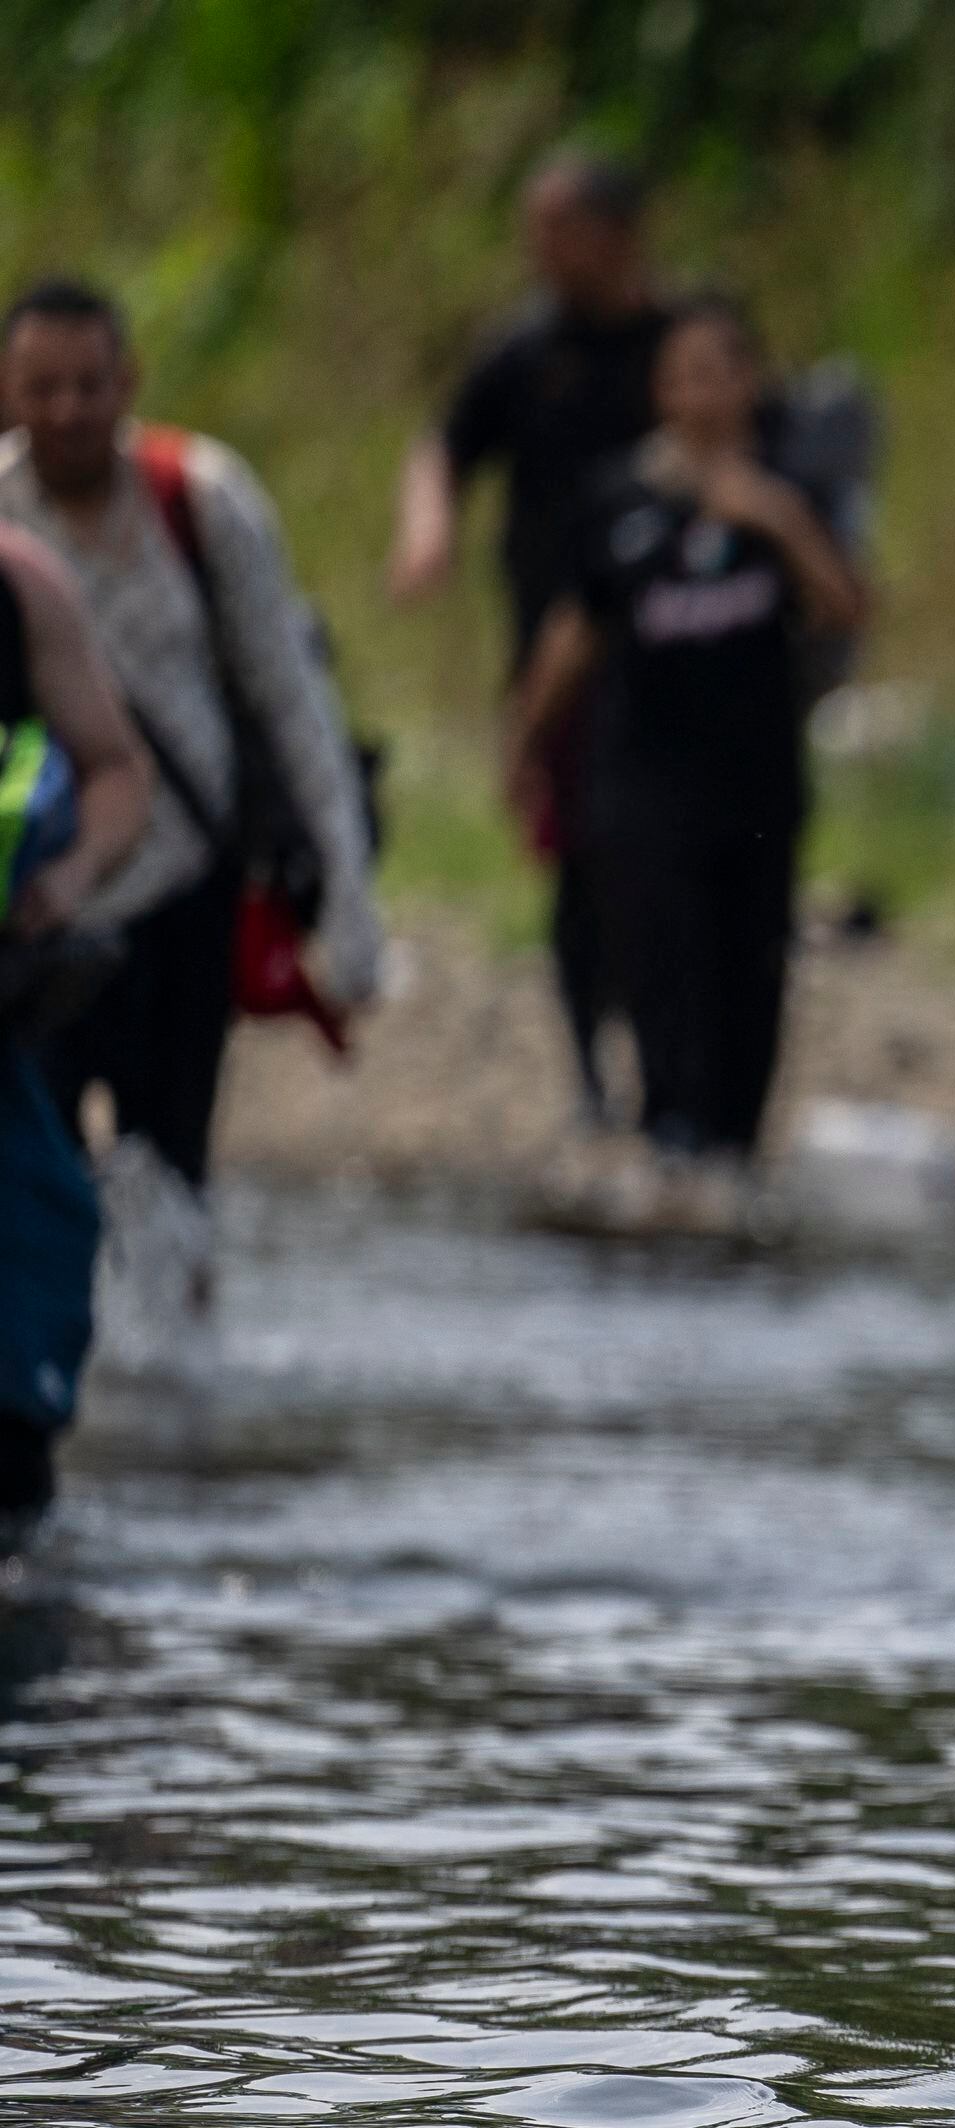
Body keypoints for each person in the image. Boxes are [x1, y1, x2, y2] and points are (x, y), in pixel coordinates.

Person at [0, 279, 387, 1218]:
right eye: (42, 387)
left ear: (128, 380)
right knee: (41, 1175)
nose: (68, 411)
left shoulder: (202, 498)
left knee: (174, 1175)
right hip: (40, 908)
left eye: (90, 385)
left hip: (187, 886)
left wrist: (349, 897)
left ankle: (174, 1352)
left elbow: (293, 700)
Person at [507, 294, 864, 1185]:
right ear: (660, 390)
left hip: (756, 787)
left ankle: (732, 1179)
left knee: (751, 993)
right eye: (683, 374)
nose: (702, 391)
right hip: (639, 788)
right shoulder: (619, 495)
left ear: (751, 381)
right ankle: (669, 1155)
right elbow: (575, 629)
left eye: (720, 370)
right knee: (664, 984)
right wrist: (525, 742)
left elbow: (845, 607)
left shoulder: (793, 487)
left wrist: (774, 517)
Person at [389, 149, 666, 1121]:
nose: (539, 251)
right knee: (578, 850)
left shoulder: (676, 345)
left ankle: (663, 1053)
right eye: (533, 230)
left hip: (669, 647)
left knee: (656, 849)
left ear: (618, 235)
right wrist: (429, 530)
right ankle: (592, 1068)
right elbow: (445, 445)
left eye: (560, 229)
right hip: (549, 641)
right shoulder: (523, 352)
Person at [0, 520, 153, 1550]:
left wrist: (70, 875)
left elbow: (115, 770)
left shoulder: (20, 585)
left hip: (7, 992)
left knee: (46, 1222)